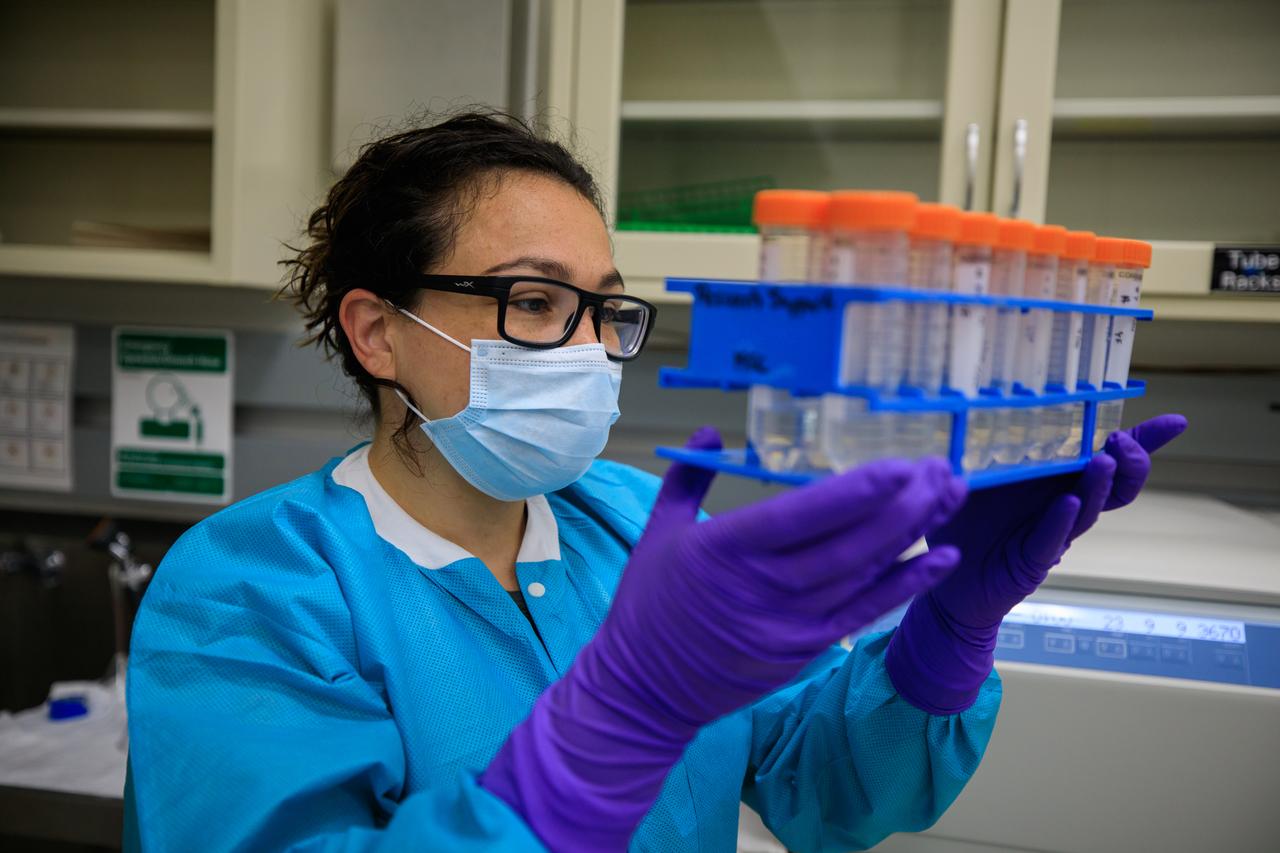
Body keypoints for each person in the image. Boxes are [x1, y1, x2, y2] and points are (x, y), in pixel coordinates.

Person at [124, 111, 1186, 852]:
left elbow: (827, 793)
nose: (587, 347)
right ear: (377, 333)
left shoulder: (633, 523)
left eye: (604, 309)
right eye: (533, 302)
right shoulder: (250, 590)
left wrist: (945, 629)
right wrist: (613, 720)